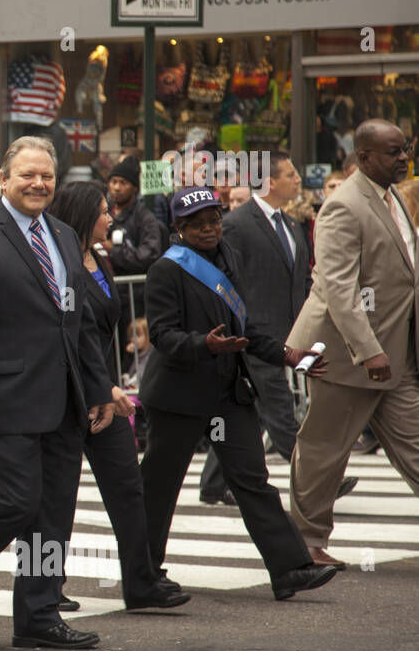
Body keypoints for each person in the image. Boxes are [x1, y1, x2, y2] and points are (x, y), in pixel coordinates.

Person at [0, 136, 114, 650]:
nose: (38, 184)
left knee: (52, 514)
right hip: (3, 397)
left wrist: (98, 389)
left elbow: (78, 324)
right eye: (27, 175)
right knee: (15, 502)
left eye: (46, 176)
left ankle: (38, 615)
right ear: (3, 179)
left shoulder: (62, 235)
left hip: (66, 399)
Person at [138, 187, 337, 600]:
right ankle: (143, 578)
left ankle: (289, 569)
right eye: (197, 225)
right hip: (177, 395)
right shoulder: (166, 270)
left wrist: (288, 354)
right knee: (160, 488)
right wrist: (203, 345)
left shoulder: (230, 257)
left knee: (253, 480)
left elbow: (245, 328)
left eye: (213, 221)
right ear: (179, 229)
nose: (208, 230)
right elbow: (161, 334)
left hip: (227, 392)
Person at [47, 181, 190, 610]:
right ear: (82, 214)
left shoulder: (101, 259)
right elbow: (74, 334)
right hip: (71, 393)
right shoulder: (57, 260)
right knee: (56, 498)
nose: (111, 218)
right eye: (104, 211)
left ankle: (142, 580)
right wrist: (105, 386)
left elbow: (106, 328)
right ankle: (45, 588)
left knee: (128, 486)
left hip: (106, 391)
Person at [287, 120, 419, 567]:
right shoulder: (344, 204)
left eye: (405, 150)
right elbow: (340, 290)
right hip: (344, 355)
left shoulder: (393, 196)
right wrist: (369, 350)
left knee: (414, 441)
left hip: (393, 354)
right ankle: (305, 544)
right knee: (324, 451)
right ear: (364, 157)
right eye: (393, 152)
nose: (403, 159)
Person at [197, 152, 312, 505]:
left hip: (285, 330)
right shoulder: (238, 223)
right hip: (252, 332)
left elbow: (300, 281)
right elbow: (219, 273)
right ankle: (313, 479)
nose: (298, 180)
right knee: (277, 404)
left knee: (252, 411)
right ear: (271, 181)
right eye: (291, 174)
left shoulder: (292, 225)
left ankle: (213, 483)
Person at [106, 156, 167, 322]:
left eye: (123, 183)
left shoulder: (145, 219)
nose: (117, 188)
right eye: (113, 182)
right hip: (110, 295)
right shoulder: (105, 212)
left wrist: (113, 250)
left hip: (135, 300)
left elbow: (149, 254)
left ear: (134, 188)